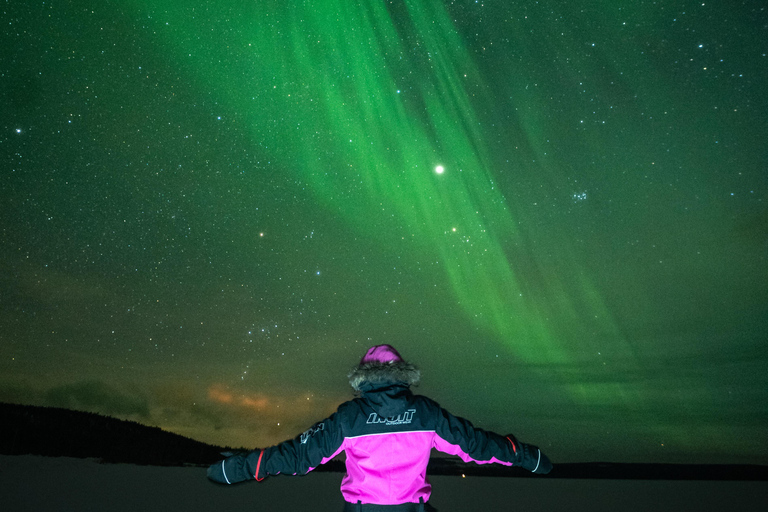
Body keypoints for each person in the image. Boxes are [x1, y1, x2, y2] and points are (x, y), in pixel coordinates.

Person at [207, 344, 552, 511]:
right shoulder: (425, 413)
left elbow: (298, 456)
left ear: (363, 379)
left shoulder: (350, 417)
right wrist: (526, 456)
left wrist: (236, 468)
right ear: (402, 376)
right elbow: (476, 445)